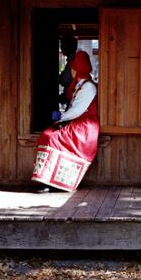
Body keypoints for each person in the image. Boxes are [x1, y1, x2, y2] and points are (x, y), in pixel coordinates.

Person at [32, 50, 99, 192]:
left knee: (52, 137)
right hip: (78, 122)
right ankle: (48, 179)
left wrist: (60, 119)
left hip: (85, 126)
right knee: (48, 133)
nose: (71, 70)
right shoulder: (80, 85)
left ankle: (51, 182)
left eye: (72, 68)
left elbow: (77, 111)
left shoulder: (88, 87)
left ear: (78, 68)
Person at [58, 35, 78, 107]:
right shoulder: (71, 60)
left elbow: (65, 81)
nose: (61, 47)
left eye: (62, 45)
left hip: (73, 97)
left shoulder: (73, 61)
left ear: (68, 46)